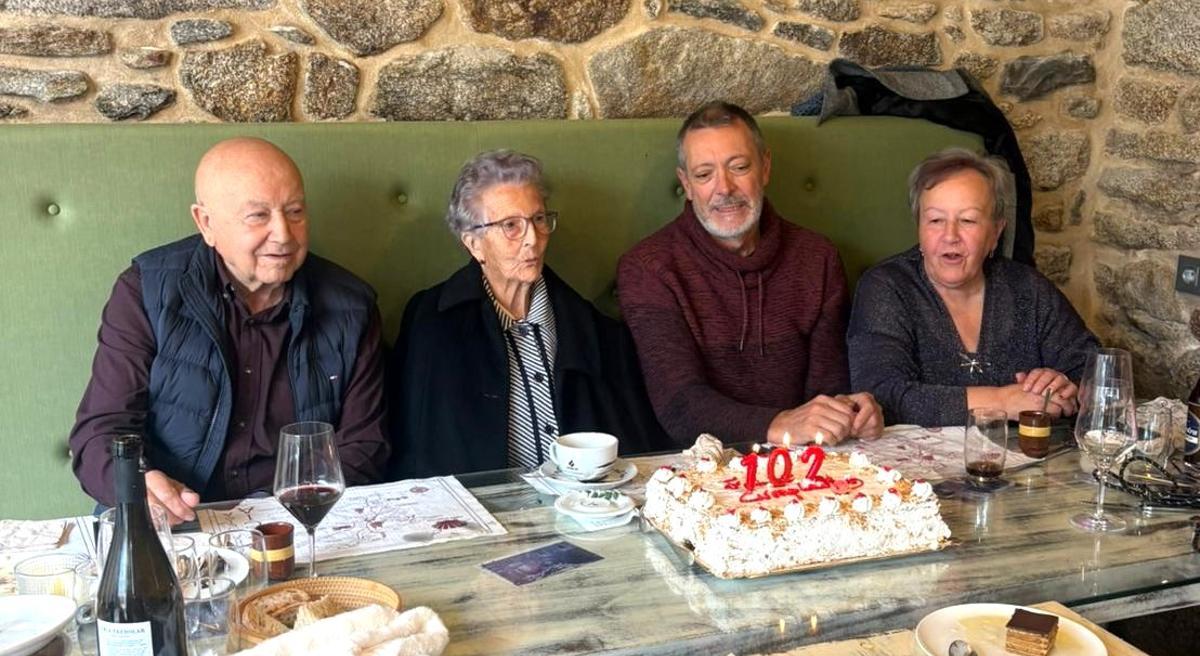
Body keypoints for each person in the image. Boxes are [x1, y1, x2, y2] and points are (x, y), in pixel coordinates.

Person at [71, 137, 389, 523]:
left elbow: (365, 444)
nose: (284, 234)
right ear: (206, 222)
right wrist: (138, 485)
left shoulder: (351, 305)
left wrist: (284, 519)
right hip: (175, 523)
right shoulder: (147, 291)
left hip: (296, 522)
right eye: (258, 216)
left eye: (295, 211)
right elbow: (101, 432)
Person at [618, 101, 883, 447]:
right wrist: (781, 424)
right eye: (704, 174)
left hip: (803, 463)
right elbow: (680, 406)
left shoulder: (817, 257)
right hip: (696, 469)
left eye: (739, 167)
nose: (724, 188)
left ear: (765, 168)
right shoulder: (649, 268)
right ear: (685, 182)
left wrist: (851, 412)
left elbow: (828, 388)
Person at [388, 150, 667, 478]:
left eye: (538, 219)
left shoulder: (595, 332)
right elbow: (421, 451)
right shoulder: (432, 325)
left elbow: (633, 444)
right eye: (511, 226)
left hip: (583, 510)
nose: (532, 239)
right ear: (474, 244)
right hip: (481, 514)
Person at [847, 148, 1099, 426]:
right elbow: (880, 396)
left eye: (967, 220)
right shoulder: (886, 287)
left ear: (995, 233)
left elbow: (1094, 369)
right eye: (935, 220)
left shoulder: (1028, 288)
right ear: (919, 227)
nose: (950, 236)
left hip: (1027, 463)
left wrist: (1068, 385)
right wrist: (1002, 402)